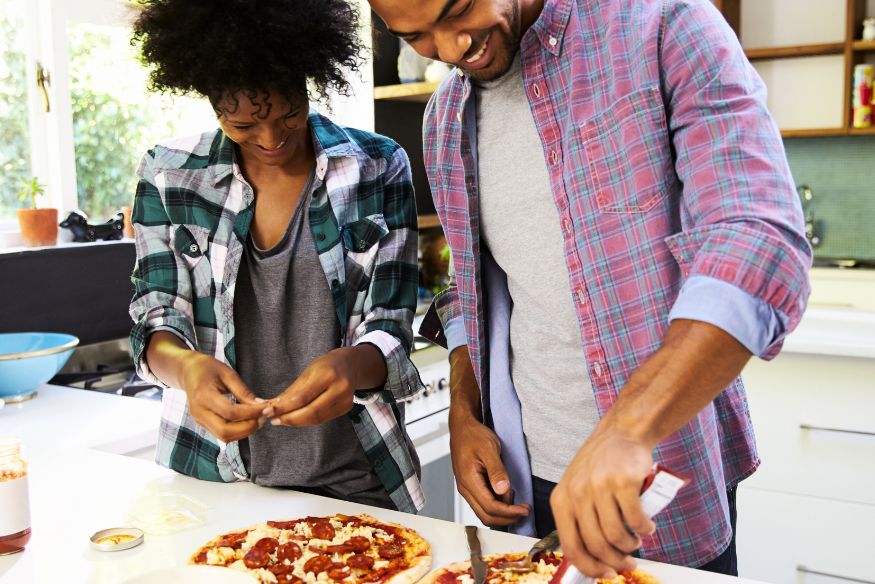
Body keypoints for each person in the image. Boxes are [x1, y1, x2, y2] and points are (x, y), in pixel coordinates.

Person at [369, 0, 812, 577]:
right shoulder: (444, 119)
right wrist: (463, 410)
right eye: (418, 35)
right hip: (528, 480)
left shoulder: (663, 24)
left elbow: (757, 241)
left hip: (660, 471)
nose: (452, 49)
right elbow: (470, 289)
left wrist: (628, 430)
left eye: (459, 9)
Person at [127, 0, 424, 514]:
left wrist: (352, 367)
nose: (271, 140)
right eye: (243, 125)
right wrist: (186, 370)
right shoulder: (168, 175)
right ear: (209, 97)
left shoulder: (377, 165)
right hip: (213, 482)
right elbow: (156, 317)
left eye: (290, 113)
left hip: (357, 481)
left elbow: (392, 328)